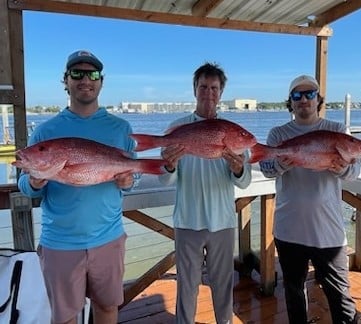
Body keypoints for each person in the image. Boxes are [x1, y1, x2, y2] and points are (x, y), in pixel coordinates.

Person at [17, 50, 136, 324]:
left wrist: (130, 181)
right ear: (66, 81)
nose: (85, 80)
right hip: (60, 243)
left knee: (107, 309)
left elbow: (131, 177)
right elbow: (25, 183)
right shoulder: (45, 131)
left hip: (108, 238)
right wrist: (34, 181)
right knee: (65, 317)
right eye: (77, 73)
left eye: (92, 74)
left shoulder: (121, 128)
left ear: (101, 81)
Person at [259, 75, 359, 323]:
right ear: (290, 103)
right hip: (289, 229)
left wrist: (341, 168)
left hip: (329, 231)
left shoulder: (337, 131)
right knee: (294, 293)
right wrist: (280, 165)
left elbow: (354, 171)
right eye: (297, 95)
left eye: (310, 94)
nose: (303, 99)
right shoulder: (278, 134)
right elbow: (266, 168)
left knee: (340, 296)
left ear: (318, 100)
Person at [159, 62, 252, 324]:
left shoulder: (232, 132)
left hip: (222, 221)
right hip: (187, 220)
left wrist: (237, 169)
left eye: (214, 88)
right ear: (194, 90)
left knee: (223, 285)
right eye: (203, 87)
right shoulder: (177, 128)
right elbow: (166, 178)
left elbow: (244, 183)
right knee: (186, 285)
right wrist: (169, 164)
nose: (208, 93)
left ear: (221, 92)